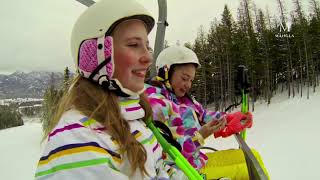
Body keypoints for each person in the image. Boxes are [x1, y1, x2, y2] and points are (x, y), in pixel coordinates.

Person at [34, 1, 183, 179]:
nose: (148, 57)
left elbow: (159, 170)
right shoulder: (80, 139)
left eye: (147, 46)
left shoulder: (134, 118)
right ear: (94, 55)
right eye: (134, 45)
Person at [145, 45, 253, 169]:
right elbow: (169, 153)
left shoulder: (182, 99)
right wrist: (200, 136)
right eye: (185, 78)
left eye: (191, 80)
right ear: (165, 72)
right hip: (182, 172)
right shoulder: (156, 104)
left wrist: (229, 118)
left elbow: (204, 115)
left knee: (251, 157)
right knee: (246, 169)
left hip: (196, 162)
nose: (188, 85)